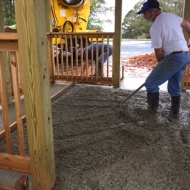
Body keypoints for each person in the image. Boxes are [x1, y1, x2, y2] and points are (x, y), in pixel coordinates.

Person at [137, 0, 190, 119]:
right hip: (185, 56)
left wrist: (162, 64)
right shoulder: (172, 17)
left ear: (153, 12)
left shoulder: (156, 27)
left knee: (151, 83)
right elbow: (186, 23)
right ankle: (174, 114)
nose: (144, 17)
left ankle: (152, 110)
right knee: (175, 87)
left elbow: (159, 52)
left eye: (145, 13)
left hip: (173, 57)